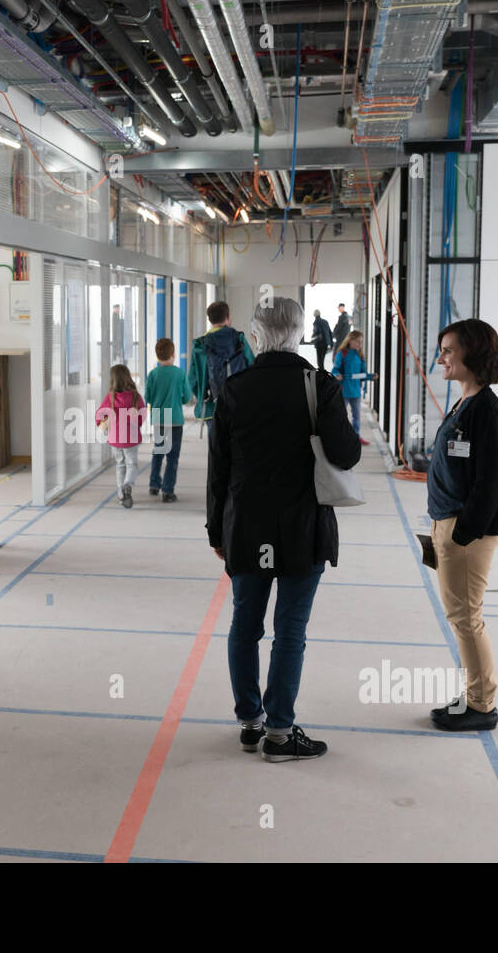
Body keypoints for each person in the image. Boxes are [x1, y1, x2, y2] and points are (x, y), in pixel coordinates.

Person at [207, 297, 361, 762]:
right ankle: (279, 734)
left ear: (256, 334)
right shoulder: (322, 387)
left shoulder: (234, 389)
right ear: (299, 334)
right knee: (290, 631)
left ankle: (250, 723)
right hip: (303, 527)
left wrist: (218, 531)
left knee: (244, 626)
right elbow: (347, 455)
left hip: (247, 527)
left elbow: (219, 470)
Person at [427, 319, 498, 731]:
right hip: (450, 524)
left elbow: (491, 480)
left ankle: (482, 705)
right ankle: (475, 696)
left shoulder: (487, 410)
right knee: (461, 615)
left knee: (465, 617)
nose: (441, 358)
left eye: (448, 350)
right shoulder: (466, 402)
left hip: (467, 531)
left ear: (471, 356)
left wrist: (464, 532)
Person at [189, 300, 254, 436]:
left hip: (211, 407)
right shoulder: (239, 339)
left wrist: (202, 396)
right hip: (238, 405)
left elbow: (193, 380)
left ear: (210, 319)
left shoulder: (201, 345)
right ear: (228, 317)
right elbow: (252, 368)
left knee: (216, 452)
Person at [143, 337, 195, 502]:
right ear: (173, 354)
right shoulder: (179, 373)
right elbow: (186, 397)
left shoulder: (152, 374)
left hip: (159, 418)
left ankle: (154, 484)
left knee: (158, 451)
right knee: (173, 456)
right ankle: (168, 490)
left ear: (157, 356)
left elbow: (148, 397)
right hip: (175, 419)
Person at [95, 364, 146, 508]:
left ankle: (121, 495)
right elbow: (142, 416)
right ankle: (127, 484)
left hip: (115, 438)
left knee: (120, 465)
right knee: (132, 464)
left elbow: (100, 414)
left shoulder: (110, 397)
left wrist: (102, 423)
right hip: (131, 438)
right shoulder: (136, 396)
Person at [332, 331, 377, 446]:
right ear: (350, 340)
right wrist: (337, 375)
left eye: (361, 342)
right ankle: (338, 437)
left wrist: (371, 376)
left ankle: (356, 437)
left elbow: (363, 374)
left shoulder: (360, 356)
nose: (359, 344)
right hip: (344, 391)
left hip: (356, 392)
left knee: (356, 417)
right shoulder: (342, 354)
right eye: (357, 341)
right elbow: (334, 369)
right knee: (340, 416)